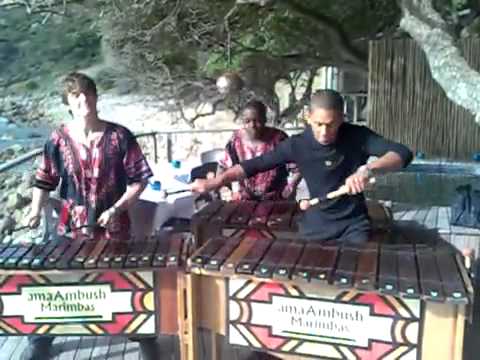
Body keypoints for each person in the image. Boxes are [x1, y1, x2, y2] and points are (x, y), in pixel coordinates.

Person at [23, 72, 157, 360]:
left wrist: (117, 208)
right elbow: (45, 179)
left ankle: (143, 334)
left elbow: (139, 180)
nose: (83, 99)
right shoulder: (58, 139)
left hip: (114, 222)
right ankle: (41, 338)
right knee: (57, 281)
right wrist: (35, 210)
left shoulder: (120, 136)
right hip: (70, 226)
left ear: (96, 97)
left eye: (88, 93)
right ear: (68, 102)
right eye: (76, 95)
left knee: (129, 278)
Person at [191, 89, 413, 243]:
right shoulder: (297, 145)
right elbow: (256, 164)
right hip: (315, 223)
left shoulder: (357, 136)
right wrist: (216, 181)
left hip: (353, 225)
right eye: (318, 124)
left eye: (331, 124)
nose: (324, 132)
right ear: (308, 117)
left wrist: (368, 169)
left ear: (342, 119)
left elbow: (403, 153)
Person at [218, 100, 301, 201]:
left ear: (265, 120)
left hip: (276, 199)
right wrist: (225, 189)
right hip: (245, 201)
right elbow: (222, 167)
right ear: (242, 121)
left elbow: (298, 168)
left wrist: (291, 187)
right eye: (247, 121)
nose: (252, 125)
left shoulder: (280, 138)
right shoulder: (235, 140)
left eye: (257, 120)